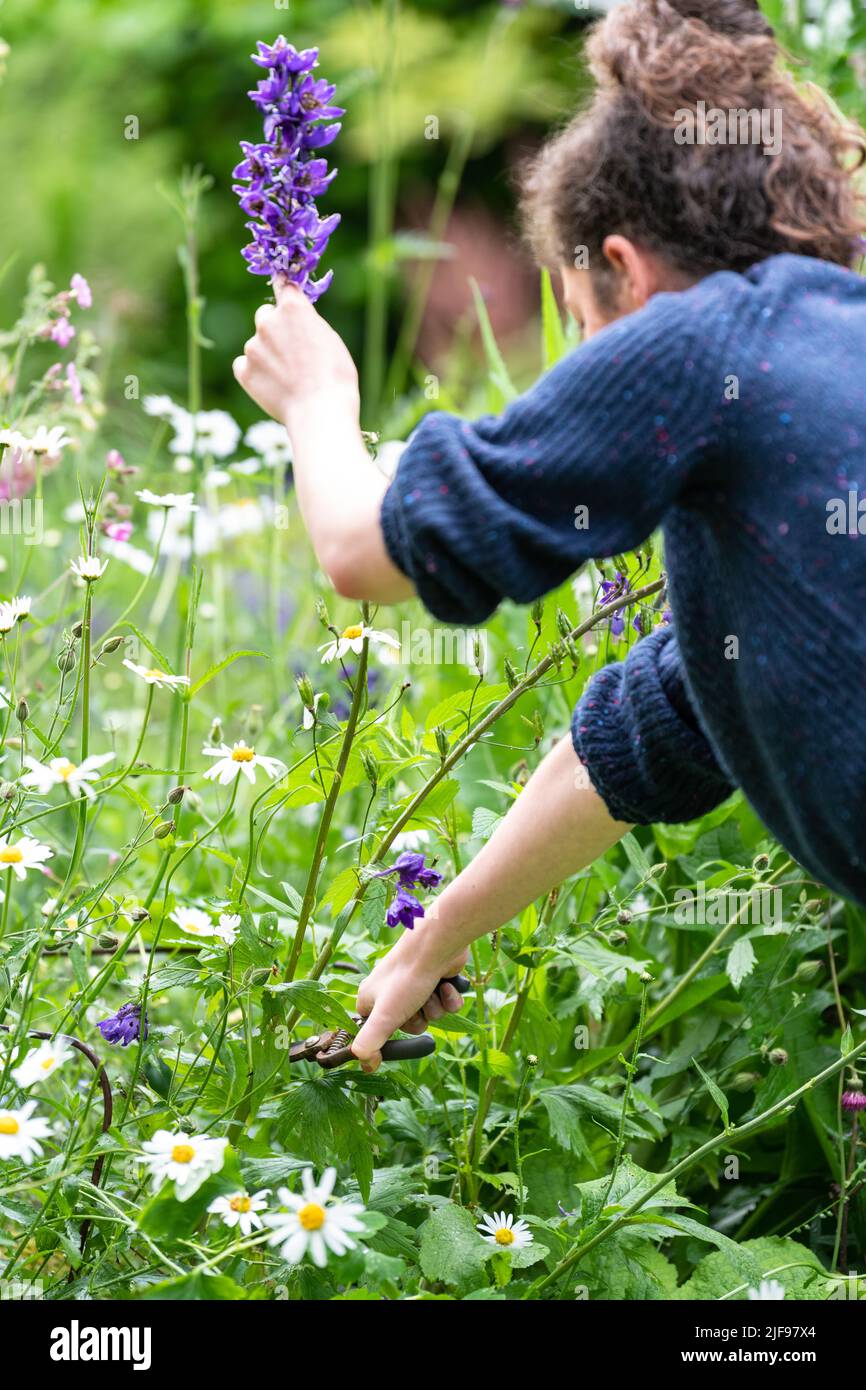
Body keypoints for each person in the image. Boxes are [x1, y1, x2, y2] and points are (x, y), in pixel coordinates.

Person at [234, 0, 866, 1070]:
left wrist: (316, 405)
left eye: (577, 325)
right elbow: (658, 728)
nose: (581, 363)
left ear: (620, 269)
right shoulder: (821, 348)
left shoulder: (693, 345)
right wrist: (434, 935)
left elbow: (359, 550)